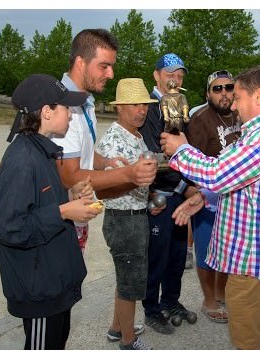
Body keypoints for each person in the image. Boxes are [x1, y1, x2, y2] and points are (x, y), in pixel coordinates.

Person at [161, 65, 260, 349]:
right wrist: (202, 196)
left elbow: (219, 173)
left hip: (255, 263)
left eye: (238, 96)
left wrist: (181, 149)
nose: (234, 104)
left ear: (259, 96)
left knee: (246, 340)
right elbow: (242, 181)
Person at [0, 74, 101, 349]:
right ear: (47, 112)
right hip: (39, 290)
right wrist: (64, 211)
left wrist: (70, 196)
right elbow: (10, 227)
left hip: (53, 280)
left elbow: (38, 204)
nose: (71, 116)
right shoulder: (22, 159)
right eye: (67, 108)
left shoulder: (42, 152)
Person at [52, 28, 157, 254]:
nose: (110, 74)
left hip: (76, 214)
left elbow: (80, 154)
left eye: (112, 66)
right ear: (80, 62)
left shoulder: (84, 102)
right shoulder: (62, 106)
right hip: (58, 220)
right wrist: (128, 174)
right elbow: (69, 176)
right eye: (104, 66)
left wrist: (104, 162)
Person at [95, 78, 160, 350]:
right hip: (124, 220)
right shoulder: (114, 140)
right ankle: (128, 342)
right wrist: (137, 183)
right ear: (120, 107)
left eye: (144, 104)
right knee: (130, 283)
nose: (141, 109)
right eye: (134, 104)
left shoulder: (135, 133)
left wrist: (151, 196)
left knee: (126, 278)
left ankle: (116, 329)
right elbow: (105, 189)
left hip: (135, 215)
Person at [139, 53, 195, 334]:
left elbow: (185, 150)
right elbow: (152, 156)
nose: (176, 79)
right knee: (157, 256)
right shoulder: (148, 108)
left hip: (179, 193)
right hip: (158, 194)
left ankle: (171, 301)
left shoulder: (180, 105)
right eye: (170, 74)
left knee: (176, 255)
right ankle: (151, 308)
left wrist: (186, 183)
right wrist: (153, 192)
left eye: (180, 75)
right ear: (157, 75)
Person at [184, 70, 241, 323]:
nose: (224, 93)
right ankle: (208, 300)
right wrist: (195, 192)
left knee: (228, 251)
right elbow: (189, 162)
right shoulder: (200, 119)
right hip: (208, 199)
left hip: (236, 198)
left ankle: (221, 291)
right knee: (207, 251)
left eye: (228, 87)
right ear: (208, 93)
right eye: (217, 89)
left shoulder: (242, 115)